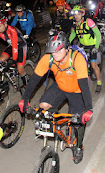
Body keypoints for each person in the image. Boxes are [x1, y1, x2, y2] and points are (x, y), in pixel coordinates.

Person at [19, 31, 93, 164]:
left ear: (66, 48)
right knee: (43, 107)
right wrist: (25, 99)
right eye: (52, 52)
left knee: (78, 122)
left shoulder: (77, 59)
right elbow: (34, 80)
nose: (55, 54)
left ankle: (79, 146)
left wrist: (88, 109)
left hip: (77, 90)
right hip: (60, 86)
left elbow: (84, 86)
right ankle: (58, 127)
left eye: (58, 51)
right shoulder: (49, 58)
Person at [69, 5, 102, 94]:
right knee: (80, 65)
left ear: (82, 14)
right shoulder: (75, 24)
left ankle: (99, 82)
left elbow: (98, 34)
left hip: (92, 46)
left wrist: (96, 47)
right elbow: (73, 35)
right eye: (75, 15)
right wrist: (67, 44)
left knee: (94, 65)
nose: (76, 16)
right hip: (83, 46)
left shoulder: (89, 21)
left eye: (78, 14)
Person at [0, 13, 29, 86]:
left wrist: (14, 60)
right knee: (0, 61)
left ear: (5, 24)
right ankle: (11, 73)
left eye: (0, 26)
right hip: (12, 46)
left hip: (21, 46)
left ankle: (26, 82)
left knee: (20, 69)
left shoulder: (12, 30)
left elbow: (15, 45)